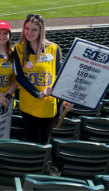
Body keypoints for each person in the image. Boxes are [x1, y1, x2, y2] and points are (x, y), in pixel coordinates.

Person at [14, 14, 74, 144]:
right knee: (34, 143)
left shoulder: (54, 49)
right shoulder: (18, 49)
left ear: (41, 30)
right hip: (29, 106)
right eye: (27, 28)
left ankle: (42, 165)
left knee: (44, 143)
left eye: (34, 30)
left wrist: (65, 101)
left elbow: (60, 77)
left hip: (49, 106)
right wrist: (37, 94)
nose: (29, 33)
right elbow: (20, 77)